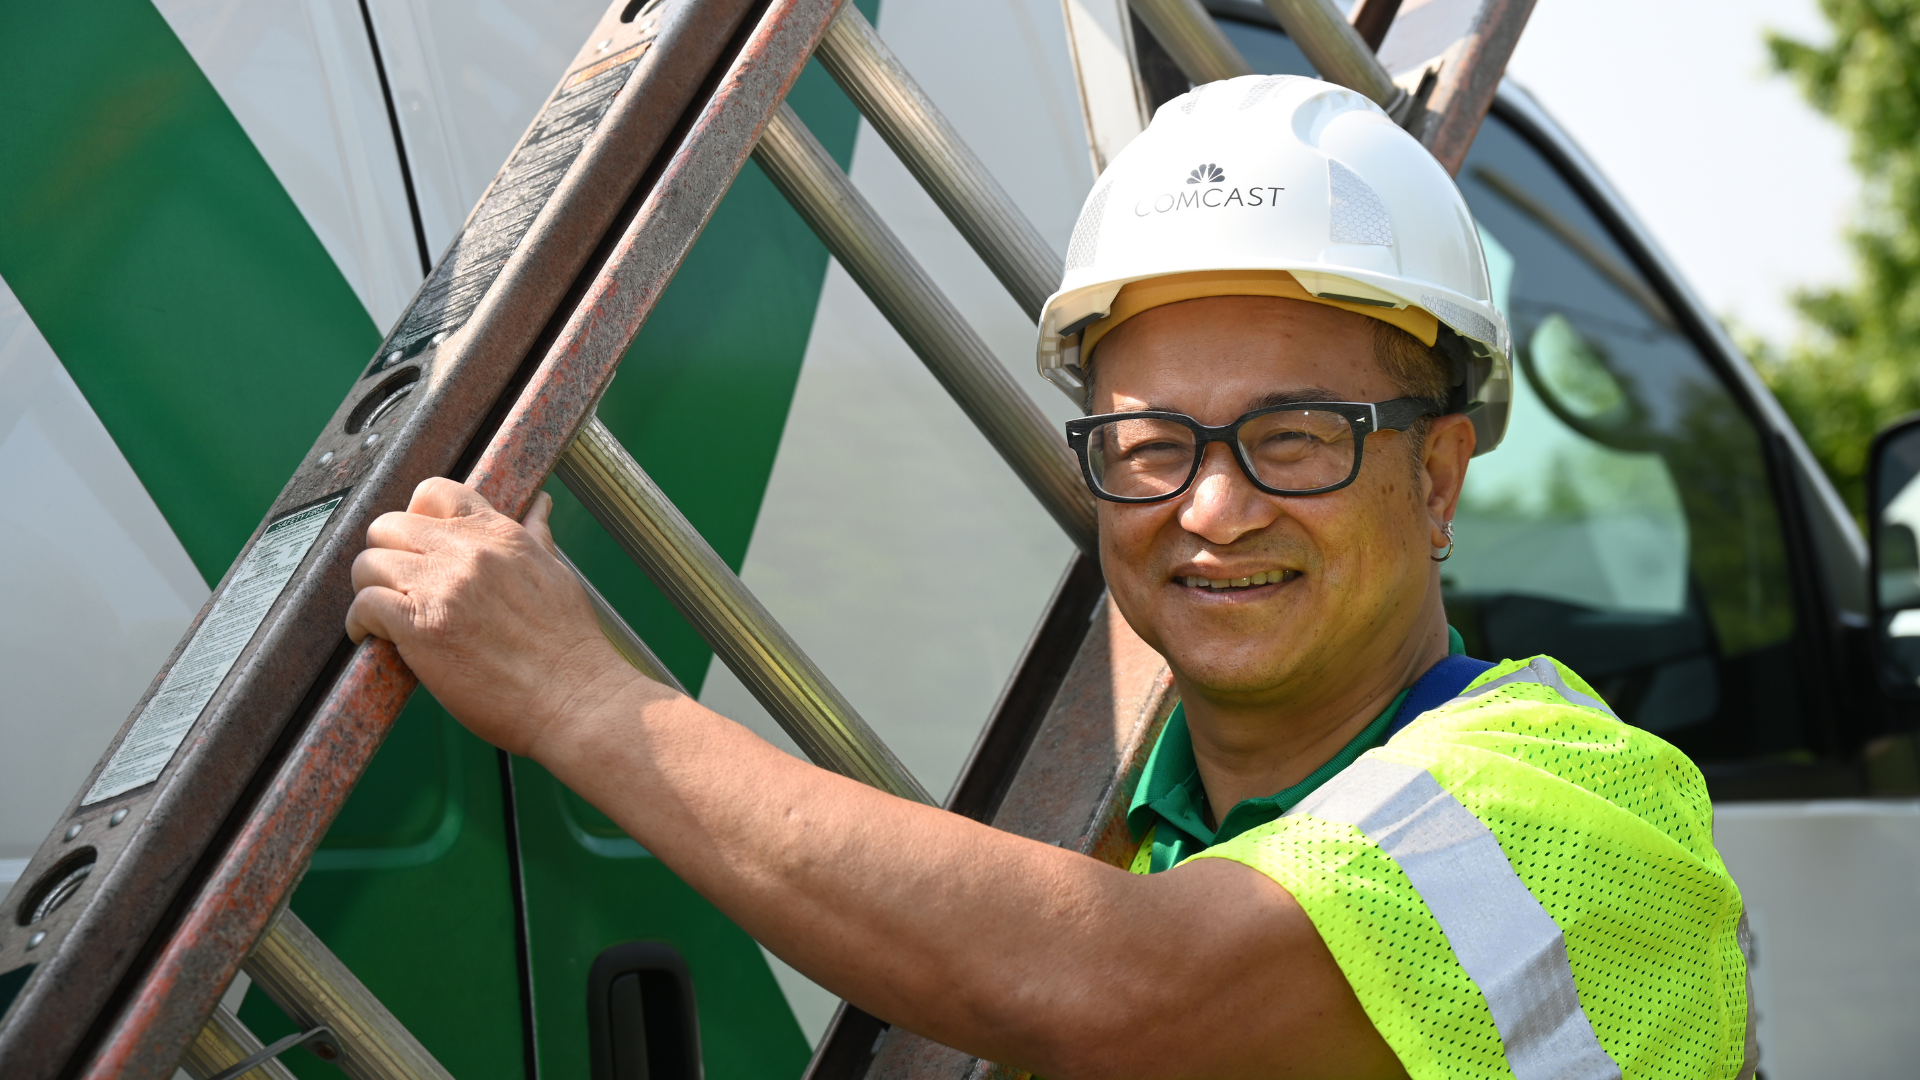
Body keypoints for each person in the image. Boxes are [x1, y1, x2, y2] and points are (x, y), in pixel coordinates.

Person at [346, 76, 1754, 1079]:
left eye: (1293, 438)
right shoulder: (1132, 842)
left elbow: (1125, 985)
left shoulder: (1574, 800)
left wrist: (584, 699)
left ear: (1436, 477)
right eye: (1148, 446)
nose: (1210, 505)